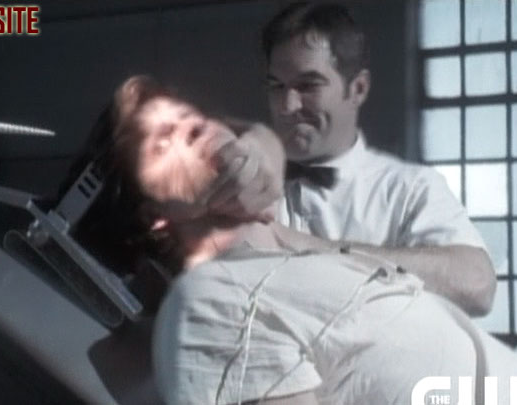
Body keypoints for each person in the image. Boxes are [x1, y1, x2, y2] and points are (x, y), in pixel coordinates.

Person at [70, 75, 517, 405]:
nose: (190, 127)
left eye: (186, 114)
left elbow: (474, 282)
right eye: (162, 143)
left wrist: (280, 230)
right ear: (156, 217)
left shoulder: (297, 258)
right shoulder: (214, 305)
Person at [203, 2, 496, 317]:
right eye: (277, 86)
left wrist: (298, 245)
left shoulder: (410, 189)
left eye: (308, 85)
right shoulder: (245, 178)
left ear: (358, 89)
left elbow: (477, 286)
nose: (287, 106)